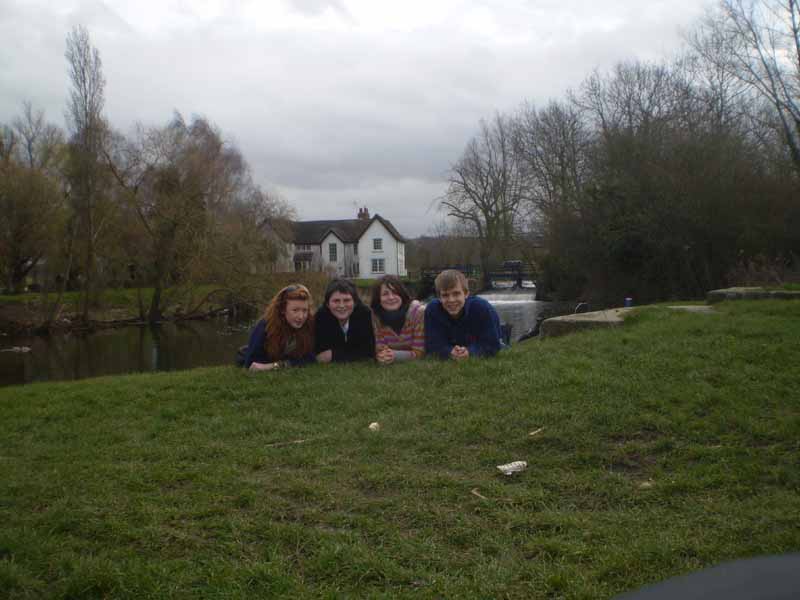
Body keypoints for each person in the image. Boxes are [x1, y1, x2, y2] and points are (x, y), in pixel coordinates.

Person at [424, 269, 504, 360]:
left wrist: (470, 352)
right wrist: (449, 352)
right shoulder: (433, 310)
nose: (451, 300)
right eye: (445, 295)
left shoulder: (482, 308)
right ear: (439, 297)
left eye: (456, 294)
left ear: (466, 294)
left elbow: (492, 344)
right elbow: (432, 344)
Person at [242, 284, 316, 371]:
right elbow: (251, 364)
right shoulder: (265, 326)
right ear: (282, 310)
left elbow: (309, 359)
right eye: (295, 310)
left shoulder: (308, 324)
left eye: (305, 310)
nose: (301, 316)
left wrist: (273, 366)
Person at [315, 278, 375, 363]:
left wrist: (334, 355)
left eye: (347, 300)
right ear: (327, 304)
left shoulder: (365, 315)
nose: (342, 305)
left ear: (355, 302)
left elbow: (369, 350)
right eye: (336, 301)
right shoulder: (320, 317)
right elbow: (320, 351)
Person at [370, 275, 425, 364]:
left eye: (395, 292)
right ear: (378, 298)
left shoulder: (418, 312)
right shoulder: (375, 316)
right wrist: (382, 356)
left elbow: (420, 352)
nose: (391, 297)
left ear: (402, 294)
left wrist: (396, 356)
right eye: (385, 294)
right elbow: (380, 348)